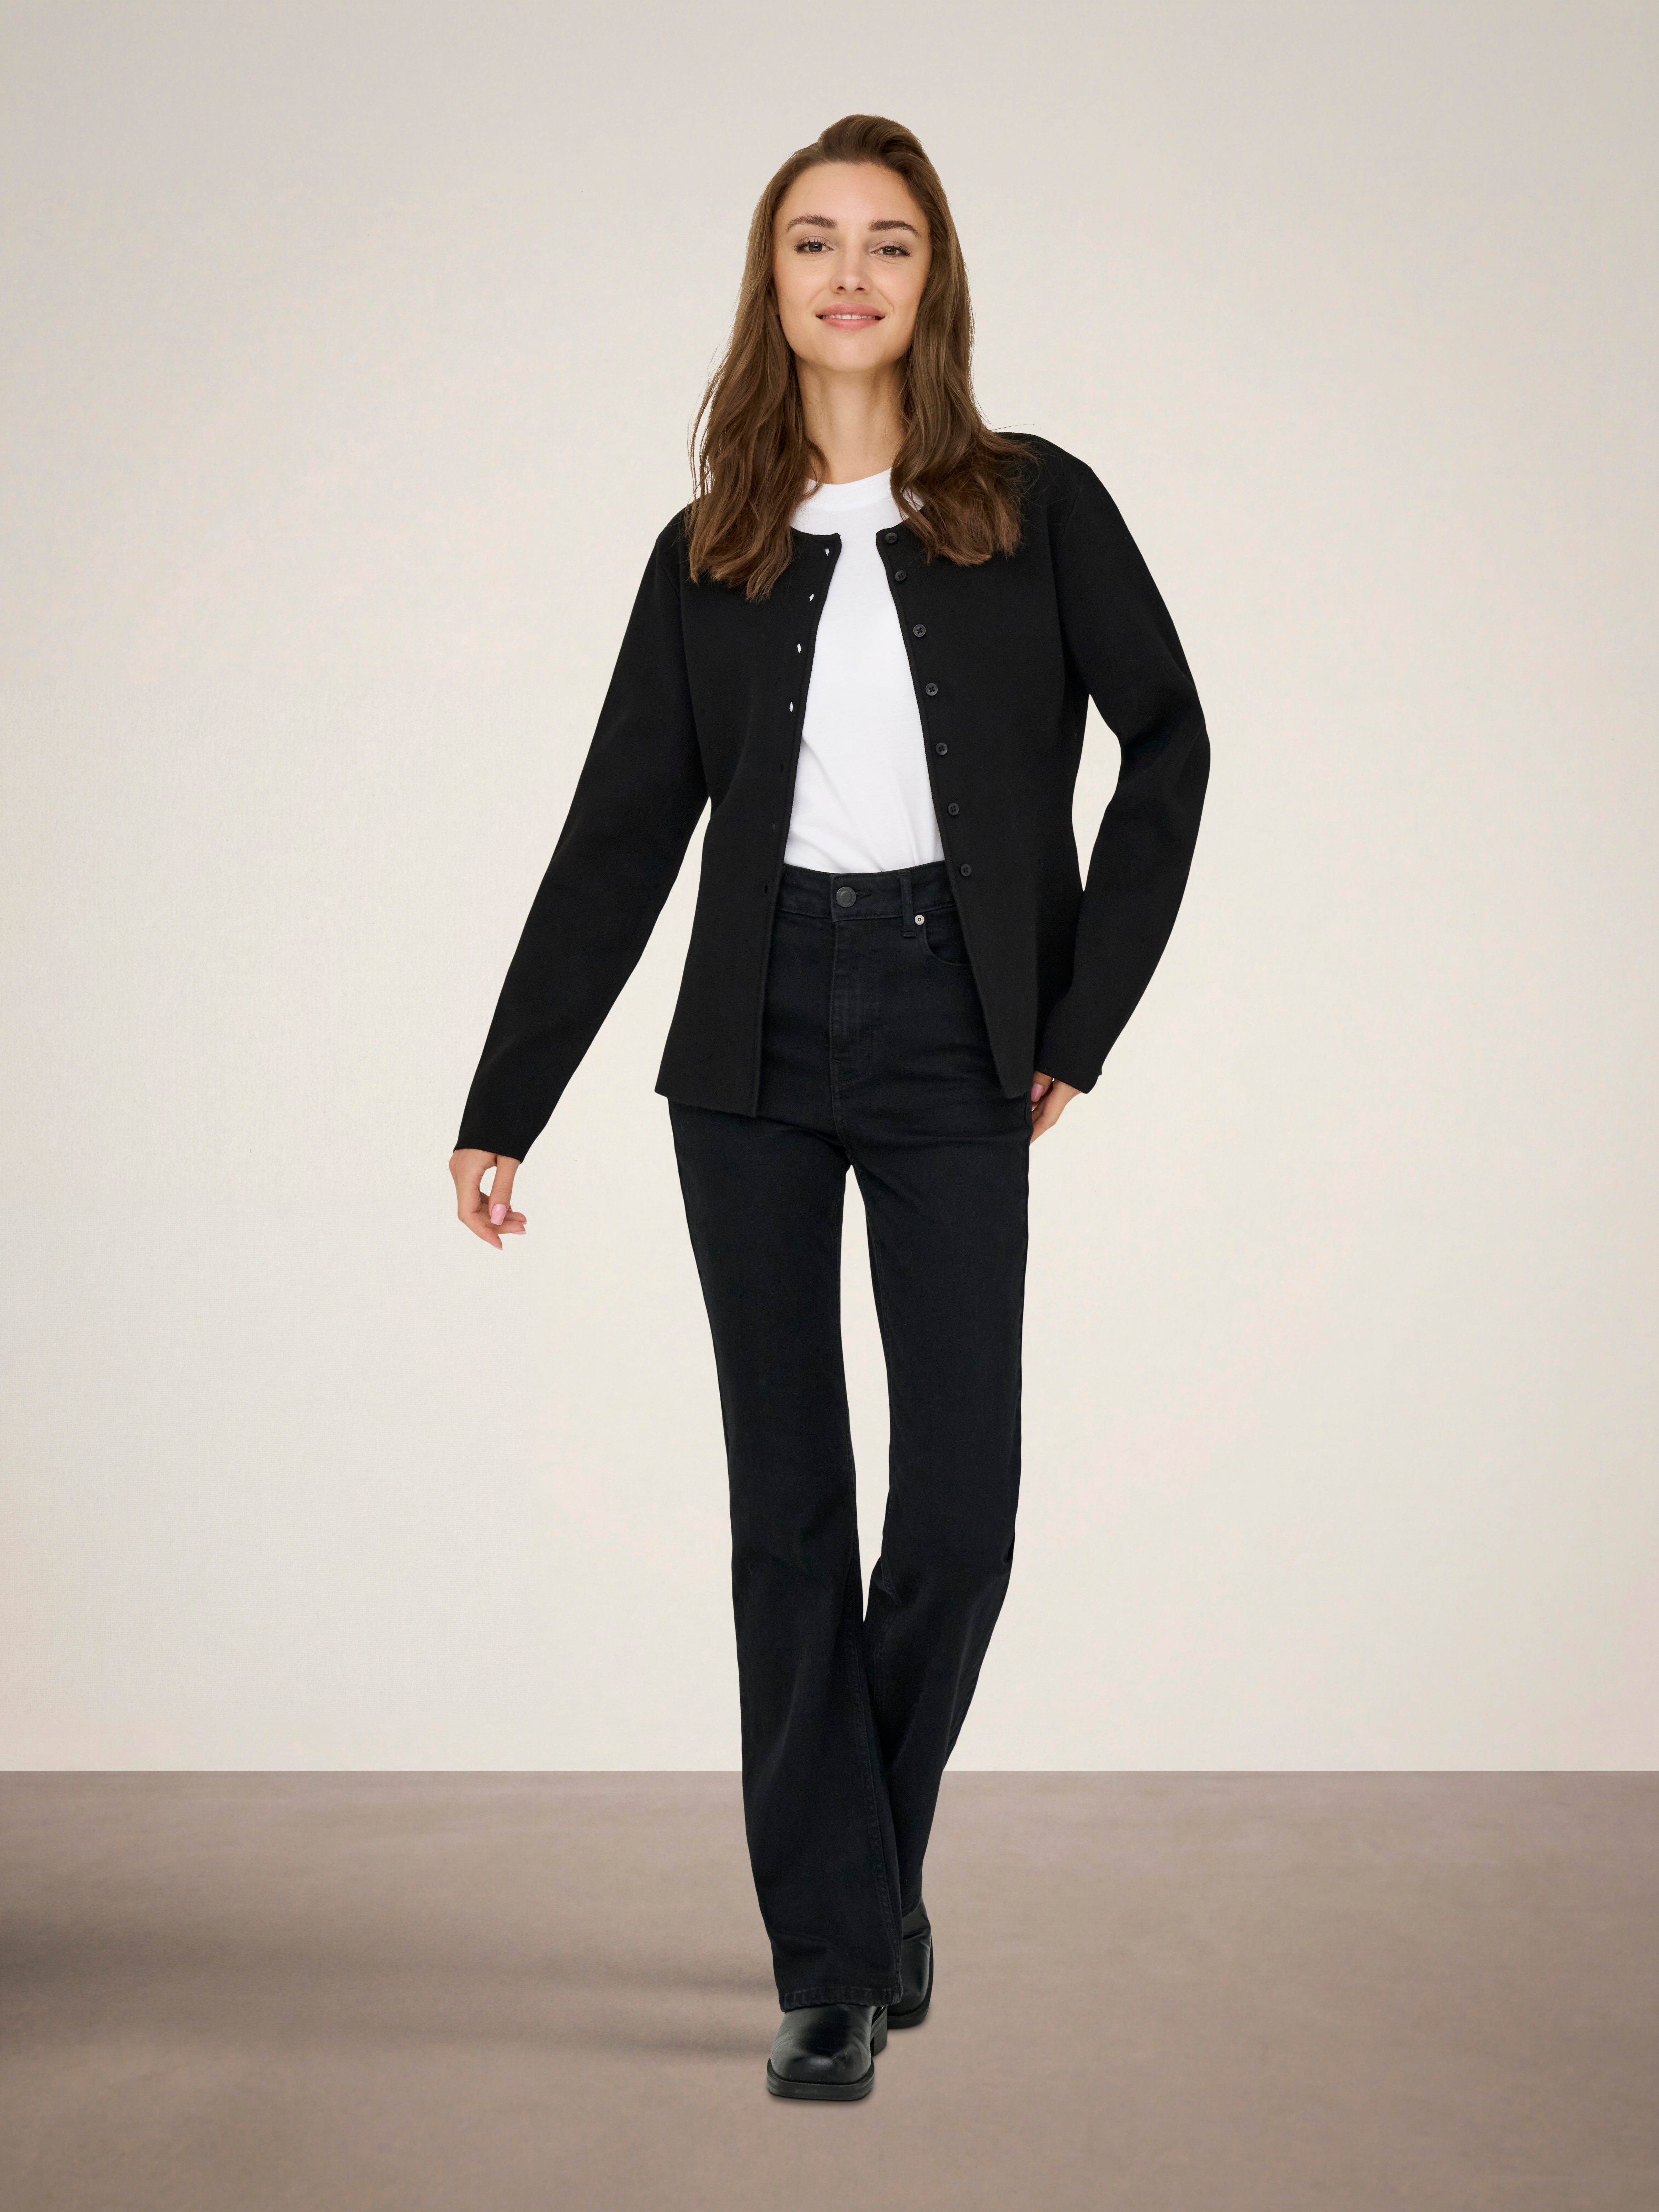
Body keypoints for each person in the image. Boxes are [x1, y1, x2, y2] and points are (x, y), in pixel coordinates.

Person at [449, 113, 1210, 2102]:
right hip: (756, 1048)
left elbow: (1170, 741)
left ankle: (863, 1878)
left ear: (932, 279)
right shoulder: (707, 549)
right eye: (814, 240)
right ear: (770, 280)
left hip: (962, 1031)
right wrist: (506, 1099)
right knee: (788, 1510)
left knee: (960, 1504)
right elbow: (618, 838)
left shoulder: (1037, 506)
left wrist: (1083, 1013)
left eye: (888, 241)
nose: (850, 273)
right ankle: (833, 1960)